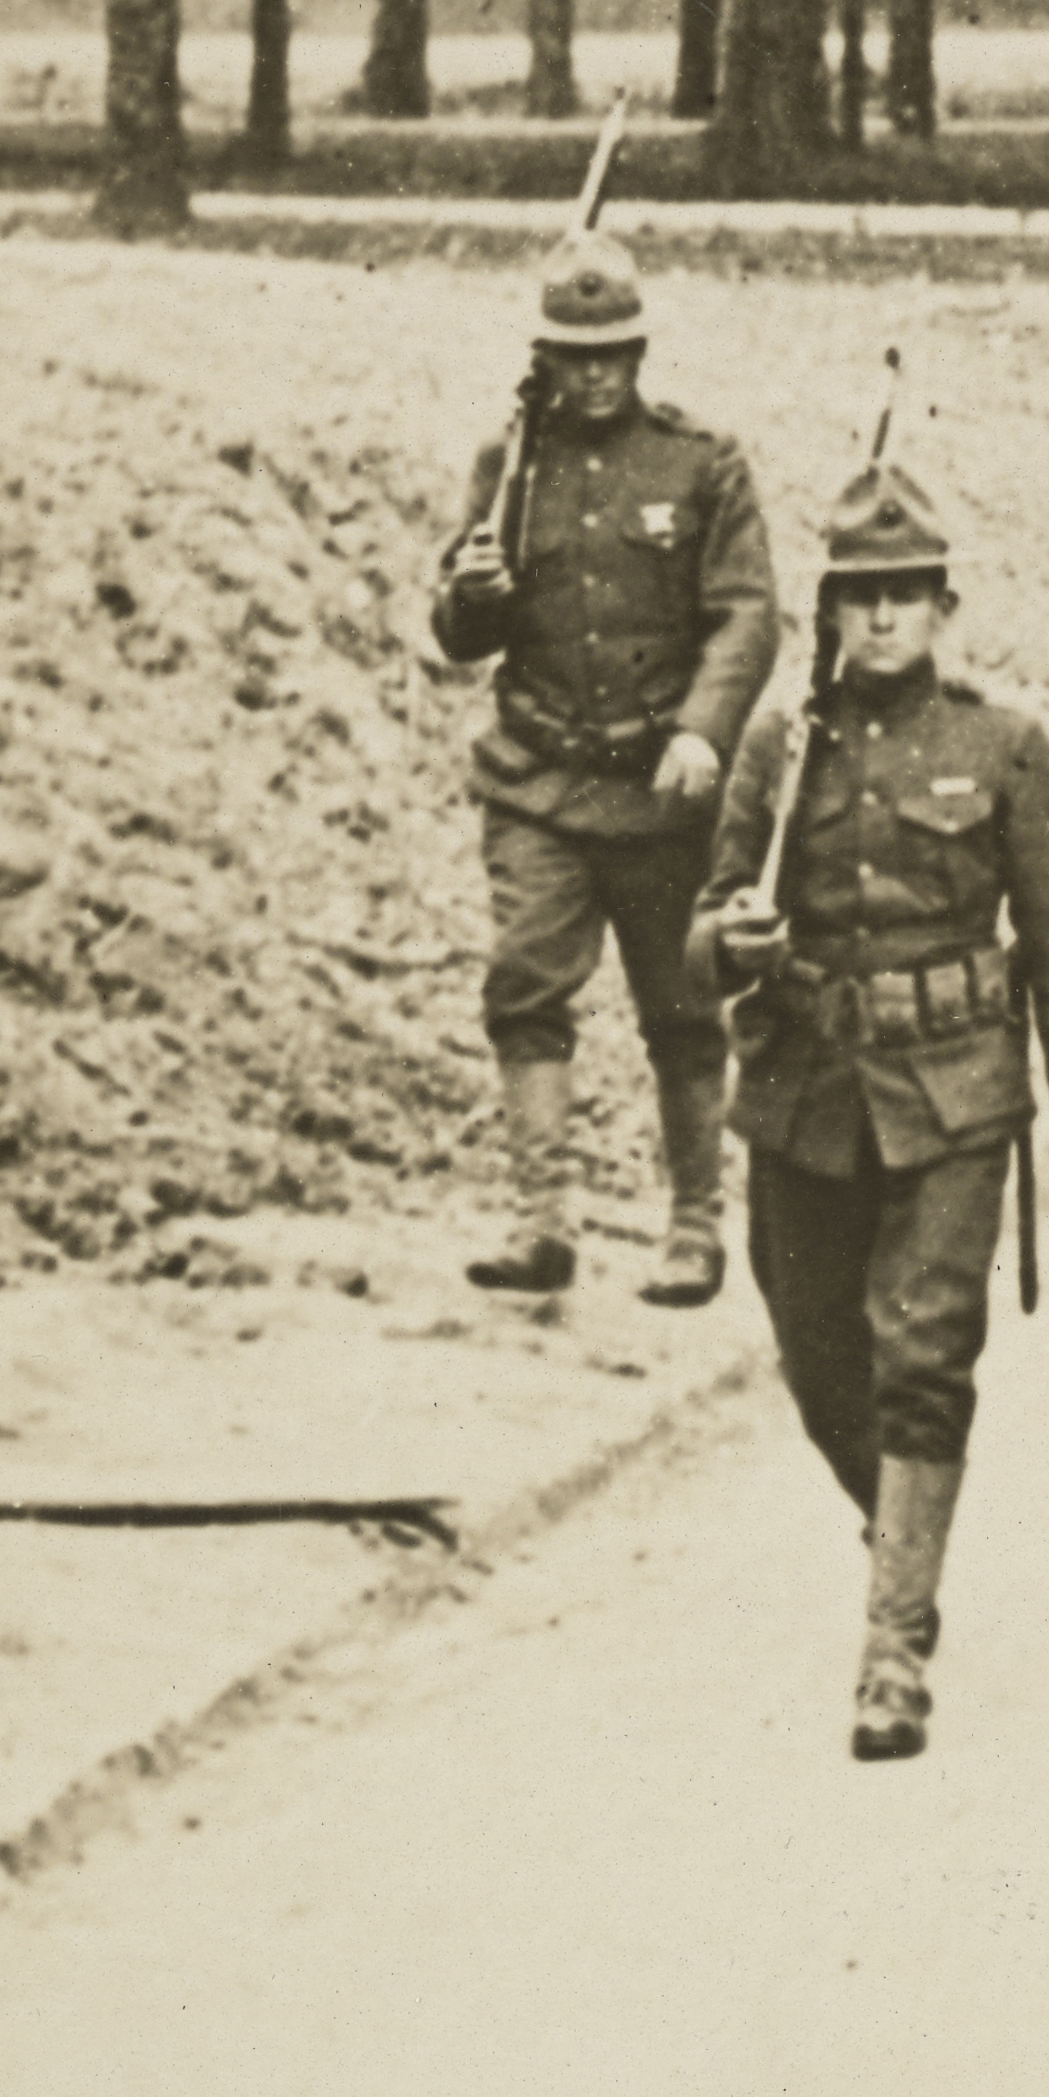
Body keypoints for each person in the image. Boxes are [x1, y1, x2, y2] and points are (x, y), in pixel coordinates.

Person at [699, 461, 1049, 1760]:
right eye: (859, 598)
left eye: (906, 596)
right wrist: (739, 938)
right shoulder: (779, 747)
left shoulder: (1001, 747)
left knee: (924, 1350)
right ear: (829, 613)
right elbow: (695, 940)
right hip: (806, 1097)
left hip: (955, 1100)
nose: (882, 620)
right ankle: (900, 1534)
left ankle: (893, 1647)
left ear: (942, 609)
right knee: (822, 1358)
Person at [426, 227, 778, 1303]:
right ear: (546, 356)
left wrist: (702, 734)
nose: (594, 374)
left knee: (679, 1005)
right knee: (524, 986)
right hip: (536, 778)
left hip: (657, 786)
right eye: (574, 354)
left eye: (612, 352)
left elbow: (748, 614)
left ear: (640, 351)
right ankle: (541, 1222)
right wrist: (472, 594)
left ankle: (694, 1226)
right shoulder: (508, 466)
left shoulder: (699, 461)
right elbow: (459, 631)